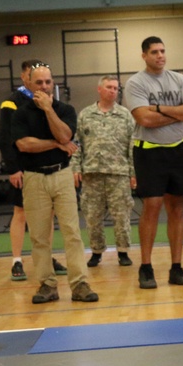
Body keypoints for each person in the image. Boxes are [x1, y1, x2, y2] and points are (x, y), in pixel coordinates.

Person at [11, 63, 98, 304]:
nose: (44, 86)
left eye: (48, 82)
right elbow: (24, 145)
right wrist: (56, 144)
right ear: (29, 84)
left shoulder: (65, 110)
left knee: (72, 232)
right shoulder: (20, 114)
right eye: (39, 82)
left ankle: (79, 284)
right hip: (34, 177)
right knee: (39, 236)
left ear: (53, 84)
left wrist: (49, 110)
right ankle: (47, 284)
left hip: (62, 175)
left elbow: (65, 135)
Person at [122, 37, 183, 289]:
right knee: (152, 206)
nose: (160, 55)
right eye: (154, 52)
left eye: (163, 51)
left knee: (176, 207)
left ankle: (176, 267)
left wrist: (158, 109)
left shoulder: (179, 79)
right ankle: (146, 267)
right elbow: (144, 119)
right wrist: (177, 113)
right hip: (149, 152)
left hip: (178, 149)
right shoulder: (136, 83)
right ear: (144, 55)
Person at [0, 60, 68, 281]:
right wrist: (13, 168)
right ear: (25, 77)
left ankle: (47, 258)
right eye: (35, 77)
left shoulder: (51, 102)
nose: (42, 84)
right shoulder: (12, 103)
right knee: (20, 212)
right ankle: (16, 261)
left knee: (48, 215)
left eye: (46, 80)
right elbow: (6, 138)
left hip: (46, 166)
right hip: (23, 167)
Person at [71, 75, 135, 268]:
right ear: (99, 89)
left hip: (118, 173)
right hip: (92, 173)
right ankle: (96, 251)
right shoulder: (86, 114)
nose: (113, 91)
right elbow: (77, 143)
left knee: (121, 215)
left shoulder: (125, 115)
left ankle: (123, 251)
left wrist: (133, 172)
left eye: (116, 88)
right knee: (92, 216)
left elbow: (132, 145)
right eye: (109, 87)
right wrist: (75, 167)